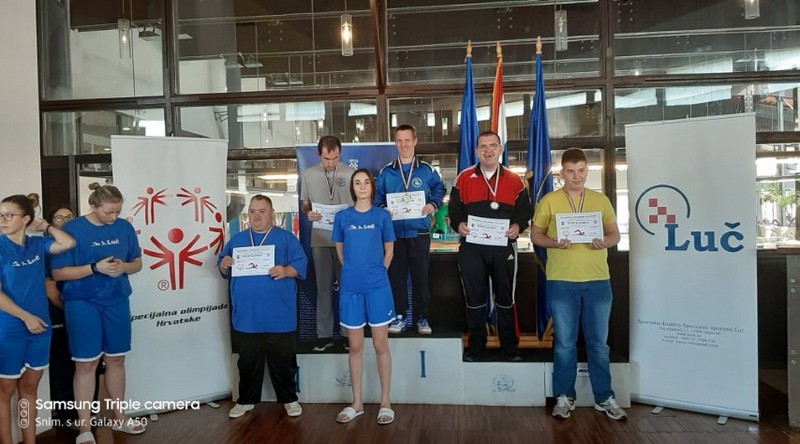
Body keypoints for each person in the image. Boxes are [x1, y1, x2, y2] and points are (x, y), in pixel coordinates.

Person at [530, 147, 627, 421]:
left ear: (587, 171)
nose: (577, 176)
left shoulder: (600, 200)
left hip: (597, 281)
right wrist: (553, 242)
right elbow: (536, 236)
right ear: (562, 173)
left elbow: (615, 235)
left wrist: (604, 242)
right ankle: (564, 396)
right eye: (571, 171)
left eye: (581, 171)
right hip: (561, 281)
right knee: (564, 343)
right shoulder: (549, 201)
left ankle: (604, 397)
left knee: (599, 344)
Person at [51, 183, 145, 444]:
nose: (113, 217)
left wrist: (124, 266)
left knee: (116, 360)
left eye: (117, 212)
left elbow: (137, 263)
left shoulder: (124, 228)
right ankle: (84, 428)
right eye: (108, 212)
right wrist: (94, 268)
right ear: (92, 206)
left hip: (117, 300)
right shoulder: (72, 229)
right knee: (86, 364)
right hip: (82, 303)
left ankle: (120, 417)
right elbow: (58, 273)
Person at [217, 195, 307, 419]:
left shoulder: (286, 239)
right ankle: (246, 400)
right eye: (252, 211)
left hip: (279, 315)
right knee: (247, 362)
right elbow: (222, 266)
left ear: (272, 213)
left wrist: (286, 271)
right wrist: (224, 264)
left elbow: (300, 264)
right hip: (247, 316)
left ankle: (289, 399)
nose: (256, 216)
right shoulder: (237, 240)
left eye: (262, 211)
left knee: (284, 361)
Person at [448, 131, 532, 362]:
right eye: (483, 146)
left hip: (503, 247)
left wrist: (518, 226)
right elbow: (454, 210)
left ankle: (509, 348)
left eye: (493, 145)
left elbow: (525, 212)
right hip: (472, 248)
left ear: (500, 149)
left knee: (505, 298)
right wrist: (459, 224)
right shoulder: (464, 178)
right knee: (474, 299)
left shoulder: (515, 180)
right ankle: (476, 347)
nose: (488, 150)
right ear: (477, 150)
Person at [0, 195, 74, 444]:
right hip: (9, 327)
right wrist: (25, 317)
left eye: (9, 215)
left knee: (29, 389)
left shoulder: (37, 244)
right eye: (0, 215)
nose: (3, 220)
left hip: (40, 327)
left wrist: (48, 226)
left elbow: (68, 242)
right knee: (5, 391)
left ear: (25, 219)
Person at [332, 169, 396, 426]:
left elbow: (389, 251)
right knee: (355, 346)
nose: (361, 186)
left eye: (366, 182)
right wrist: (353, 272)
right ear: (352, 187)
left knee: (381, 345)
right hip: (351, 289)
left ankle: (385, 402)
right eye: (357, 182)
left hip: (378, 288)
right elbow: (340, 251)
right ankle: (357, 403)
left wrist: (377, 273)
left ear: (372, 187)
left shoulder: (382, 216)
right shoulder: (342, 217)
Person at [375, 124, 445, 335]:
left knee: (420, 277)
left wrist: (433, 204)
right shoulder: (386, 172)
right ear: (395, 143)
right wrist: (383, 208)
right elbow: (377, 196)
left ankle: (422, 317)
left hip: (419, 233)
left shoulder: (426, 169)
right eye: (399, 140)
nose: (403, 144)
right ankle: (400, 316)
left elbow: (440, 188)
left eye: (407, 140)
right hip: (394, 234)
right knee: (396, 278)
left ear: (415, 141)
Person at [300, 135, 355, 352]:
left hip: (346, 240)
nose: (331, 163)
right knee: (323, 289)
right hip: (320, 239)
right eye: (326, 159)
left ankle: (347, 333)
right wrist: (308, 213)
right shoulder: (308, 174)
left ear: (340, 154)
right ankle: (323, 335)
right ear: (318, 154)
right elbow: (305, 203)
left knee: (347, 289)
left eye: (335, 158)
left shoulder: (350, 174)